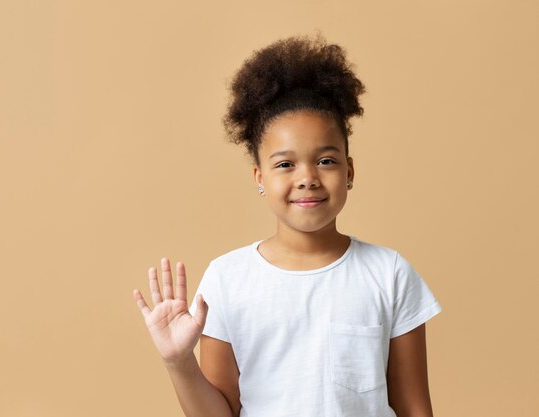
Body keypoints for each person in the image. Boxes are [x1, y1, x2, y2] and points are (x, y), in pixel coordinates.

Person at [133, 33, 442, 417]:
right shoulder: (227, 280)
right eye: (285, 164)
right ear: (259, 178)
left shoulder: (390, 274)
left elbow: (414, 407)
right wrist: (178, 362)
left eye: (326, 161)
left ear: (350, 171)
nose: (307, 178)